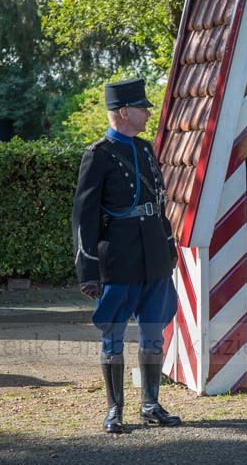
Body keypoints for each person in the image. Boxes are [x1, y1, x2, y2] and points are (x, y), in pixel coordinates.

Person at [72, 78, 181, 434]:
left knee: (154, 331)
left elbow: (161, 205)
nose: (148, 113)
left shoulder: (146, 149)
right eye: (142, 108)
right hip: (118, 257)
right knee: (113, 334)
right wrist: (87, 269)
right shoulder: (97, 154)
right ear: (124, 112)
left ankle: (150, 405)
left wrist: (168, 247)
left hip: (153, 254)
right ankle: (114, 409)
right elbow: (83, 216)